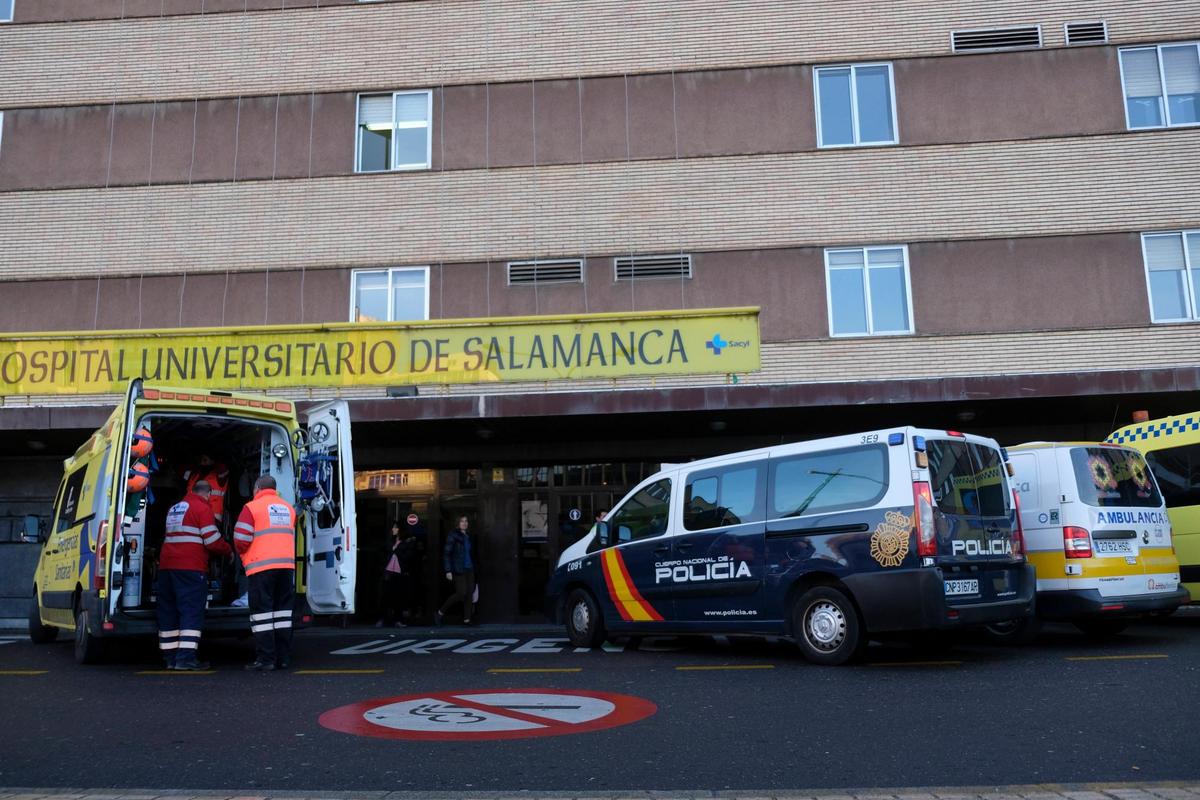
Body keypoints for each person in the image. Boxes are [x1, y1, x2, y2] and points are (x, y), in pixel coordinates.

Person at [157, 480, 231, 670]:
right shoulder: (202, 508)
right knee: (190, 611)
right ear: (208, 494)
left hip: (167, 567)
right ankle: (186, 658)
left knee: (169, 611)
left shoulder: (175, 509)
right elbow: (212, 540)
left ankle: (171, 657)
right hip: (190, 568)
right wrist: (228, 550)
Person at [234, 474, 296, 672]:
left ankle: (266, 659)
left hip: (261, 568)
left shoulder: (252, 507)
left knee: (262, 616)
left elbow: (241, 539)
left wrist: (244, 557)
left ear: (257, 488)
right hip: (286, 568)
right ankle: (283, 659)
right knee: (283, 615)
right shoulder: (288, 508)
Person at [435, 515, 476, 625]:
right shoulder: (453, 535)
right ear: (457, 523)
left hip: (469, 568)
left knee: (469, 593)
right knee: (461, 593)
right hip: (459, 568)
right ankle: (440, 613)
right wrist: (448, 570)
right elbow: (447, 554)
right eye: (462, 521)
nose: (464, 523)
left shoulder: (468, 536)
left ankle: (467, 620)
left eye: (466, 521)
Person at [375, 523, 406, 628]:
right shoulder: (388, 541)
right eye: (393, 527)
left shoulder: (405, 542)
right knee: (385, 596)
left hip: (399, 572)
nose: (393, 529)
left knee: (398, 597)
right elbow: (382, 553)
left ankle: (398, 620)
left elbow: (406, 556)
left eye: (396, 527)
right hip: (388, 571)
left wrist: (395, 549)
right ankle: (381, 619)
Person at [183, 454, 230, 524]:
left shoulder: (218, 475)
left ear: (212, 461)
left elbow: (223, 469)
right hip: (191, 516)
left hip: (212, 518)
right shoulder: (193, 476)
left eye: (205, 460)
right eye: (200, 460)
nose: (202, 462)